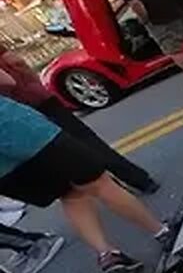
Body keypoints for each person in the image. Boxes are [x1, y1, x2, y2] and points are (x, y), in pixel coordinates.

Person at [0, 95, 169, 273]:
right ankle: (161, 232)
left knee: (69, 195)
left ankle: (107, 253)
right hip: (21, 132)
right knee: (98, 183)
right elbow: (6, 80)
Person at [0, 41, 160, 195]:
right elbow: (15, 61)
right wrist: (35, 84)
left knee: (67, 154)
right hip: (37, 99)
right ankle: (139, 180)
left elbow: (9, 79)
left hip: (19, 112)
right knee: (89, 141)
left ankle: (115, 190)